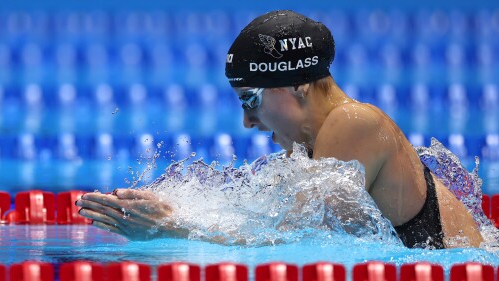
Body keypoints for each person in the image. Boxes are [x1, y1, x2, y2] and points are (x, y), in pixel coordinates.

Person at [77, 10, 484, 248]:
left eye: (250, 99)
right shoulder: (315, 147)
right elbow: (273, 223)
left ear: (297, 83)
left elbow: (297, 236)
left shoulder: (355, 122)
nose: (247, 122)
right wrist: (175, 210)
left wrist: (171, 228)